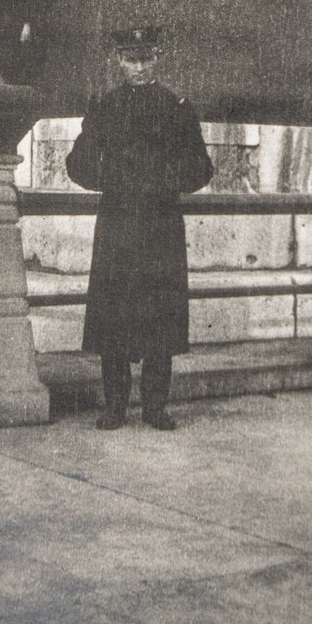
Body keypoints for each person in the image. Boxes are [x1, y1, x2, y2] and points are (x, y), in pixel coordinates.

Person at [66, 27, 214, 430]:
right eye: (130, 59)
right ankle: (114, 406)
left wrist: (164, 179)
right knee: (114, 315)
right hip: (117, 223)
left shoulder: (177, 107)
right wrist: (112, 178)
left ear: (158, 57)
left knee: (160, 317)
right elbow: (76, 163)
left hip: (161, 223)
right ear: (118, 60)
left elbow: (202, 166)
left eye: (146, 58)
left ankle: (154, 407)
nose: (138, 67)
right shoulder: (104, 106)